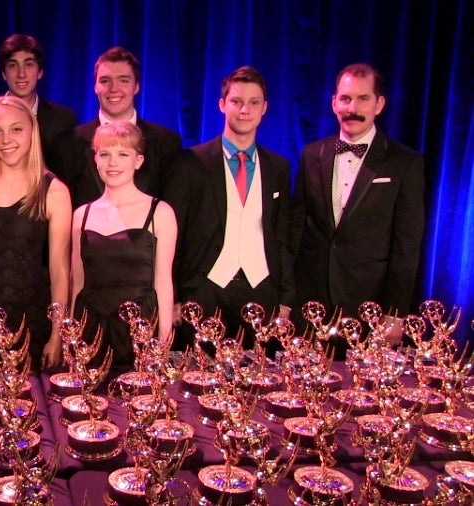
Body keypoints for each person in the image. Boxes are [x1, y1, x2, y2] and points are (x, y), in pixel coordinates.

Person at [292, 63, 425, 342]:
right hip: (311, 307)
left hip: (370, 309)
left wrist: (395, 312)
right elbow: (297, 229)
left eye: (363, 99)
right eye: (346, 98)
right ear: (334, 103)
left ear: (379, 104)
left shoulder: (405, 163)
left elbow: (407, 245)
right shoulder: (312, 154)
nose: (353, 108)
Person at [164, 66, 293, 351]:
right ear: (222, 104)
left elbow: (283, 237)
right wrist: (172, 295)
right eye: (236, 101)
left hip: (261, 290)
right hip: (204, 290)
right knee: (198, 383)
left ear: (264, 108)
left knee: (257, 384)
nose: (244, 110)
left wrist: (285, 299)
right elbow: (172, 234)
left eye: (254, 102)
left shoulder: (278, 168)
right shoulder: (190, 163)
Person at [0, 96, 72, 372]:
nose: (6, 139)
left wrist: (57, 335)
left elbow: (59, 271)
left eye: (16, 129)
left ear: (32, 131)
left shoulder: (54, 191)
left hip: (29, 324)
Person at [72, 122, 177, 365]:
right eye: (105, 154)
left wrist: (163, 340)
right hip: (90, 329)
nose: (113, 163)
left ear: (138, 161)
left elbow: (163, 281)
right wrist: (73, 335)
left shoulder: (160, 212)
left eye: (123, 154)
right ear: (95, 159)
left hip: (139, 329)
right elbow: (77, 281)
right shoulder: (81, 215)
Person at [49, 46, 182, 209]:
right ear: (95, 86)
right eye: (105, 81)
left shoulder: (168, 143)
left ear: (137, 86)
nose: (113, 89)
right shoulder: (66, 146)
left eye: (123, 80)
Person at [0, 34, 78, 162]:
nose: (21, 74)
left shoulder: (64, 119)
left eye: (29, 64)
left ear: (40, 72)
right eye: (13, 65)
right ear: (3, 73)